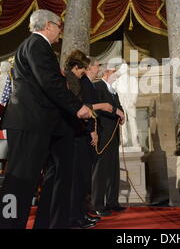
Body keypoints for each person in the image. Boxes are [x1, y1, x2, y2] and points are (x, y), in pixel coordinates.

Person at [0, 9, 92, 229]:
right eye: (59, 26)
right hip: (29, 122)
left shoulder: (39, 47)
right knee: (19, 181)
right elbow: (48, 82)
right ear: (48, 25)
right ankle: (7, 226)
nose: (60, 32)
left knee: (54, 175)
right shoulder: (36, 44)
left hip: (46, 124)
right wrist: (77, 107)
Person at [66, 52, 113, 228]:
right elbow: (83, 107)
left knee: (83, 179)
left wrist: (92, 127)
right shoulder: (74, 81)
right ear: (77, 67)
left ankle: (81, 214)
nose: (85, 72)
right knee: (78, 179)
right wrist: (92, 129)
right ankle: (75, 217)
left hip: (82, 131)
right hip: (77, 134)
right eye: (84, 68)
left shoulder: (81, 81)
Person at [91, 65, 126, 217]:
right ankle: (98, 204)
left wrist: (122, 115)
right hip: (103, 134)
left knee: (113, 169)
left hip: (114, 135)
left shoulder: (113, 90)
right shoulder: (97, 86)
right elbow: (95, 110)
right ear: (106, 72)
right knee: (101, 170)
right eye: (114, 73)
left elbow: (119, 107)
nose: (116, 76)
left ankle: (113, 202)